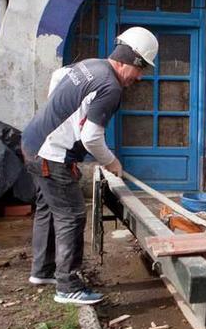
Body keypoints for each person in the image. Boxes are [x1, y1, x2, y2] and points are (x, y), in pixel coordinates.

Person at [21, 27, 158, 305]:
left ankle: (42, 271)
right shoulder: (111, 87)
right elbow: (92, 136)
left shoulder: (90, 65)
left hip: (32, 143)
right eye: (139, 68)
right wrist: (111, 161)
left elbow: (58, 76)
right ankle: (67, 284)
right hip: (52, 156)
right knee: (71, 215)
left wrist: (63, 115)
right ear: (124, 60)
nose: (140, 76)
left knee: (48, 208)